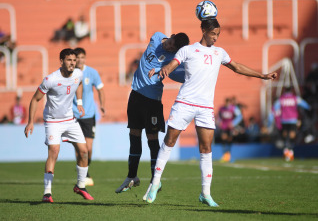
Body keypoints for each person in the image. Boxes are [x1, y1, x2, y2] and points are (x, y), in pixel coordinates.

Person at [147, 18, 277, 207]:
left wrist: (262, 75)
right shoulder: (188, 50)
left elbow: (237, 67)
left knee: (206, 149)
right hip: (184, 103)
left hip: (205, 107)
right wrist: (165, 68)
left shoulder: (219, 53)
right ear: (204, 31)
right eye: (213, 34)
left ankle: (205, 193)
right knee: (169, 141)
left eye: (218, 34)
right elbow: (173, 63)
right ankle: (155, 183)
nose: (215, 38)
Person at [115, 32, 190, 201]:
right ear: (170, 36)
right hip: (135, 95)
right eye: (170, 43)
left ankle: (155, 180)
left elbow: (184, 75)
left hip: (152, 102)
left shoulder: (173, 62)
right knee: (134, 135)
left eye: (173, 48)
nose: (169, 47)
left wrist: (162, 70)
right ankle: (131, 176)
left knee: (152, 139)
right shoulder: (156, 37)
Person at [24, 48, 94, 203]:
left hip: (70, 119)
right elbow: (35, 99)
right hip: (53, 121)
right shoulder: (51, 79)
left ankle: (80, 186)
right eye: (69, 60)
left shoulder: (78, 74)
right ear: (61, 61)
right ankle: (47, 193)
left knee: (84, 152)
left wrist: (80, 103)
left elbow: (79, 83)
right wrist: (30, 121)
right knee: (54, 151)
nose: (72, 63)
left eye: (74, 60)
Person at [72, 47, 106, 186]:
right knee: (79, 147)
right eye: (77, 57)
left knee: (89, 148)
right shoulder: (69, 73)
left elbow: (100, 89)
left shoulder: (92, 72)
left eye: (82, 57)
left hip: (89, 114)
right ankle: (84, 174)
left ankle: (85, 168)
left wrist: (102, 105)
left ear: (85, 58)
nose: (80, 60)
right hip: (73, 114)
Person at [272, 86, 311, 161]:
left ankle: (286, 150)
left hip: (284, 120)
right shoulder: (294, 98)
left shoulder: (281, 99)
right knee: (292, 135)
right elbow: (304, 104)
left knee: (285, 135)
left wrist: (277, 116)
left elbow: (275, 107)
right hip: (293, 119)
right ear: (291, 91)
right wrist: (309, 108)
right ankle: (290, 150)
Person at [217, 97, 242, 162]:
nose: (227, 104)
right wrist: (219, 121)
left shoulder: (233, 108)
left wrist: (233, 123)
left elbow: (239, 116)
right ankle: (225, 155)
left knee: (229, 140)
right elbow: (219, 116)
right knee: (223, 139)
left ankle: (228, 155)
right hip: (224, 127)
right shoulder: (221, 108)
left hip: (230, 127)